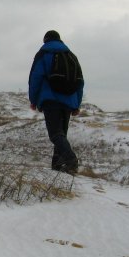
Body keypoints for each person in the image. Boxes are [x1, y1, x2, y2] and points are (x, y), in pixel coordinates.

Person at [28, 30, 84, 174]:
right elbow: (80, 82)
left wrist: (33, 99)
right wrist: (76, 104)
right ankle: (57, 166)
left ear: (45, 40)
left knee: (55, 134)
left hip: (51, 99)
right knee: (61, 135)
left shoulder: (44, 53)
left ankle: (71, 160)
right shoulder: (71, 56)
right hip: (69, 101)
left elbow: (35, 78)